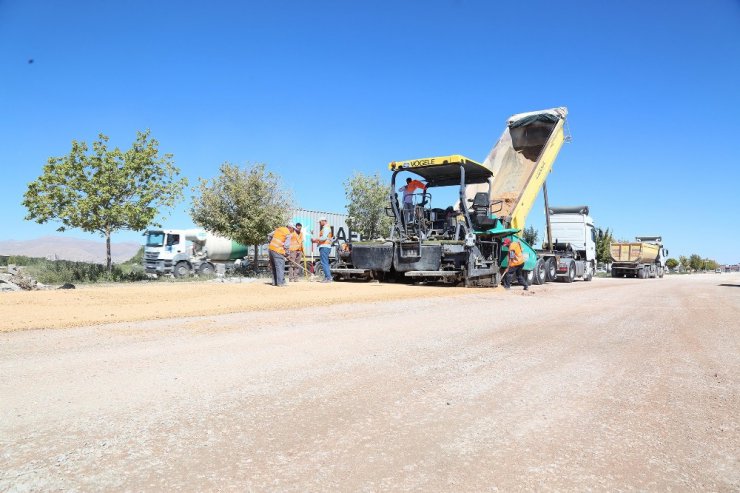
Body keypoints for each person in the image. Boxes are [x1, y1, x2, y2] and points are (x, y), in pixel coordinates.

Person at [311, 217, 333, 283]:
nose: (319, 223)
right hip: (325, 246)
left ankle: (328, 278)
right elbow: (323, 239)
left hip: (324, 247)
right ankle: (328, 277)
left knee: (324, 263)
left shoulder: (326, 228)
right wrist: (316, 241)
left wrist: (315, 239)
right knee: (325, 262)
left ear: (324, 221)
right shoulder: (325, 228)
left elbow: (323, 238)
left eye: (320, 222)